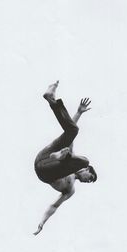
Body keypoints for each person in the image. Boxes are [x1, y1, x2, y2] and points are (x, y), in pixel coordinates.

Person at [33, 81, 97, 235]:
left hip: (44, 172)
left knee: (78, 157)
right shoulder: (76, 160)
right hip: (44, 156)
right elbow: (69, 128)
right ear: (87, 171)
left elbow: (54, 206)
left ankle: (60, 157)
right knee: (73, 131)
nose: (88, 181)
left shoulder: (70, 189)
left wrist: (42, 221)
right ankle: (51, 99)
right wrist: (79, 112)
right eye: (90, 177)